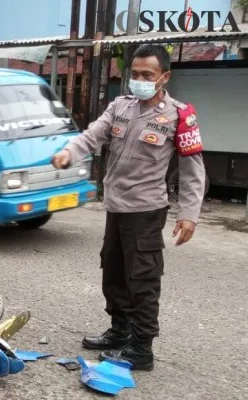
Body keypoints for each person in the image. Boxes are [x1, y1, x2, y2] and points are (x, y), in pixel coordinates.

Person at [51, 44, 206, 371]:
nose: (138, 80)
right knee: (113, 272)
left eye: (146, 75)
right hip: (116, 207)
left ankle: (141, 348)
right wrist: (69, 153)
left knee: (143, 279)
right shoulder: (120, 106)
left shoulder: (179, 115)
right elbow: (92, 136)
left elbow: (193, 169)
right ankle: (119, 331)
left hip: (146, 211)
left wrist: (189, 214)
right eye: (134, 74)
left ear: (164, 76)